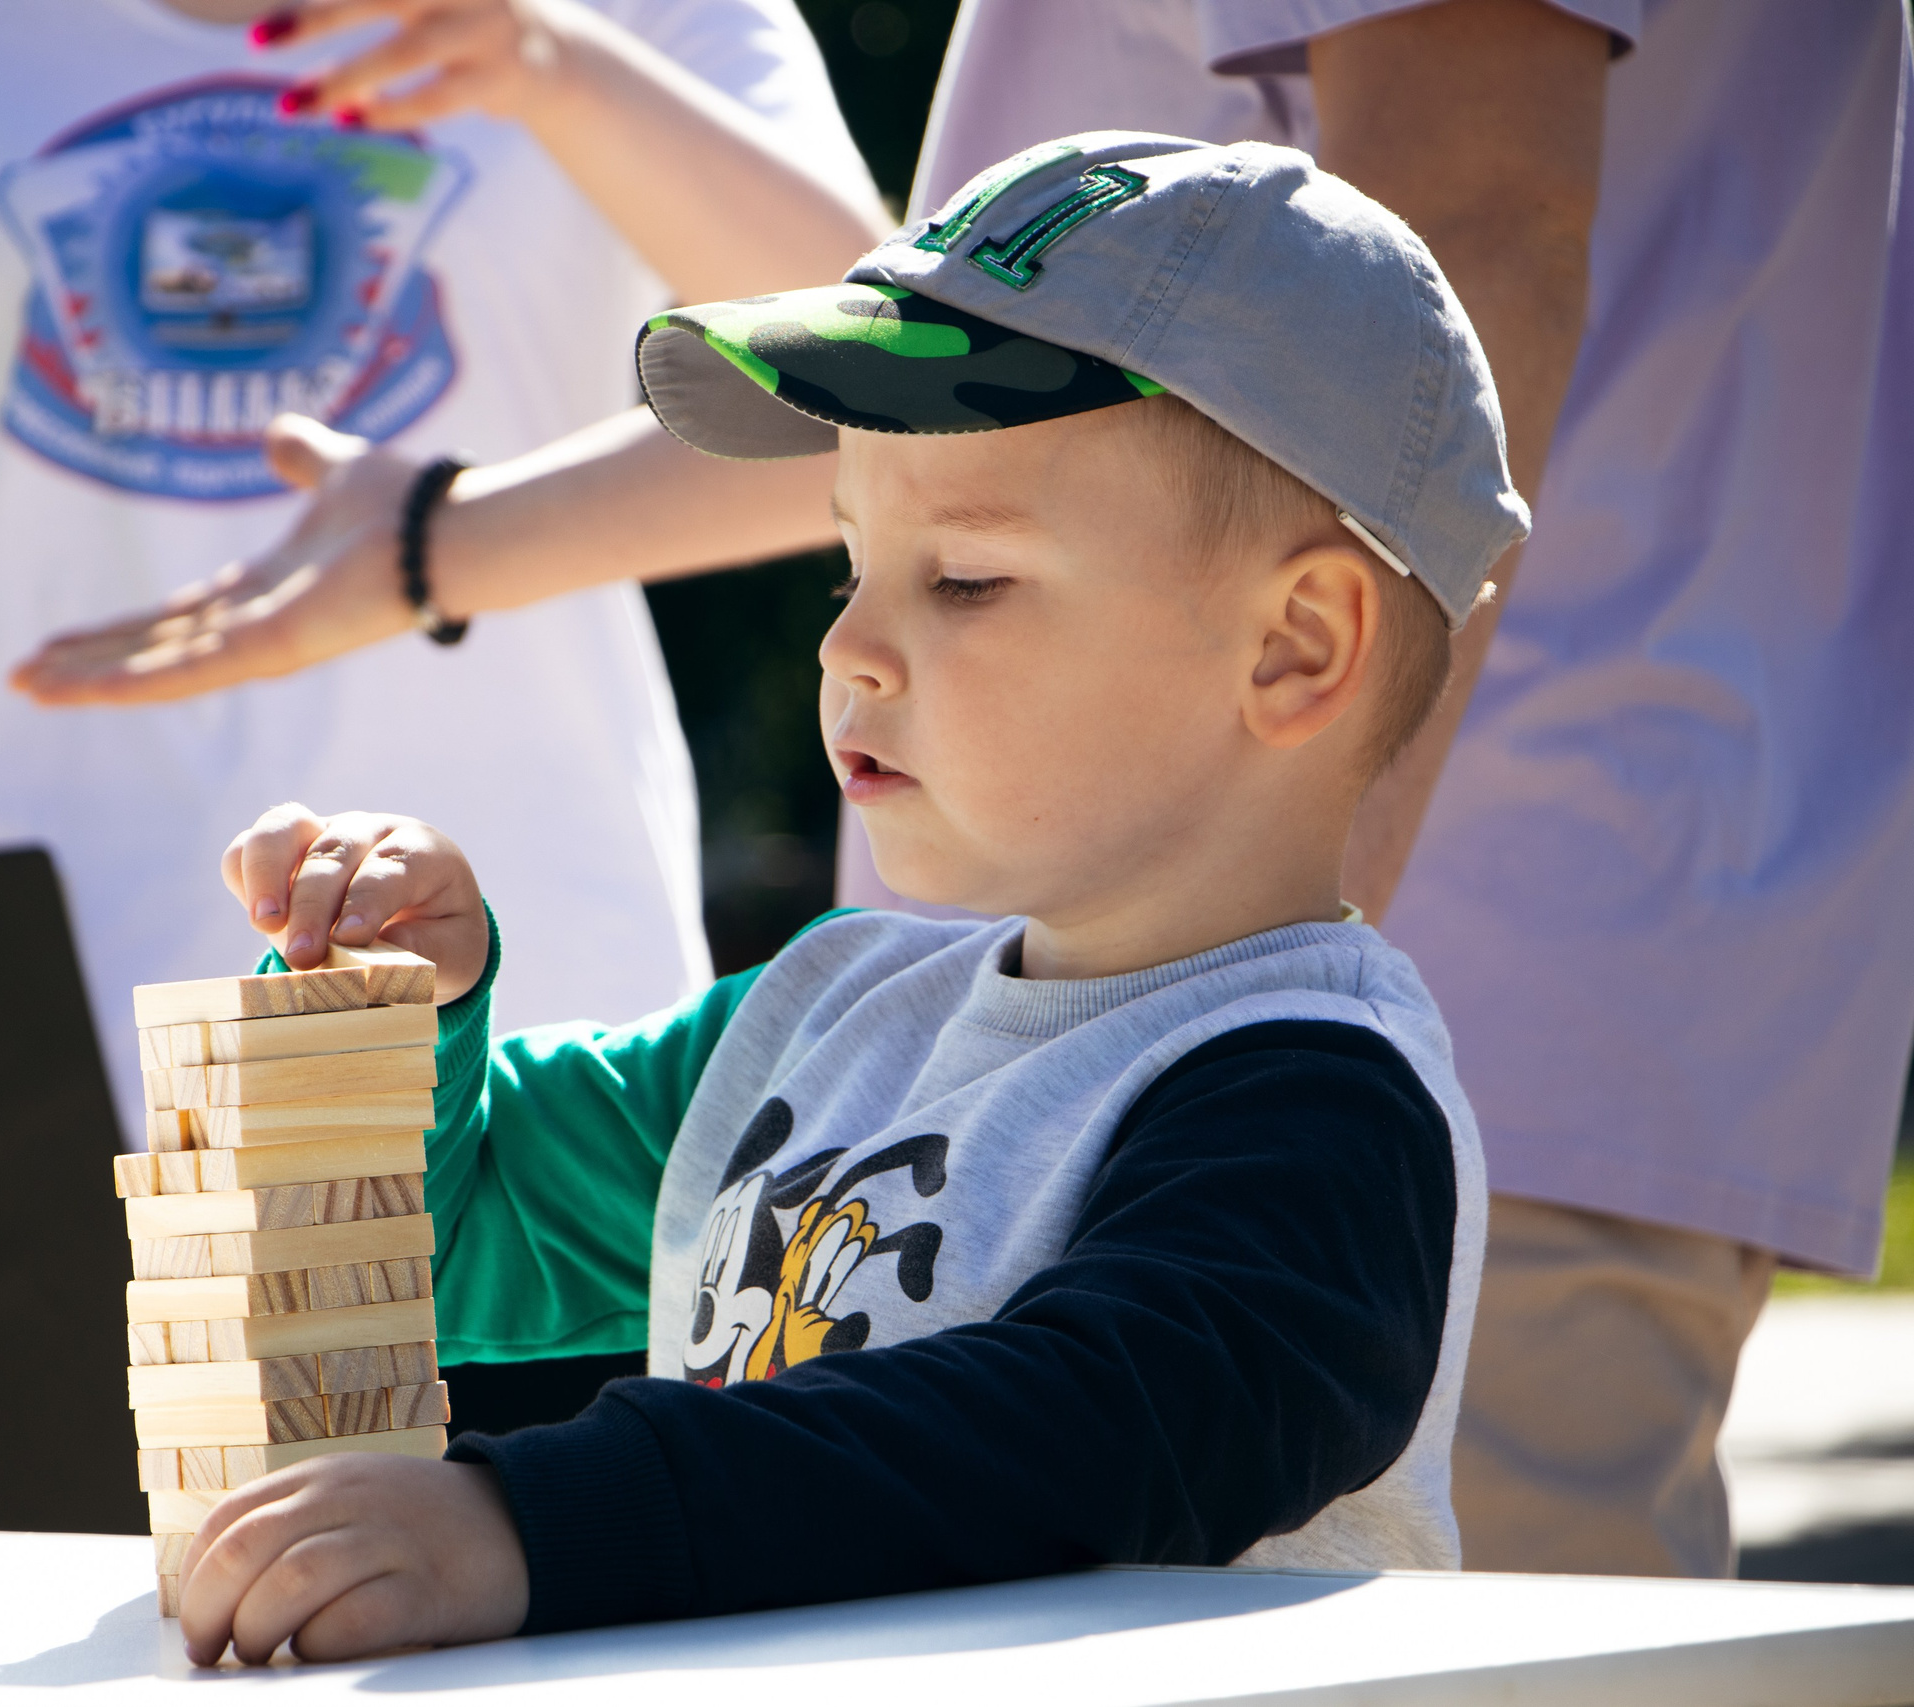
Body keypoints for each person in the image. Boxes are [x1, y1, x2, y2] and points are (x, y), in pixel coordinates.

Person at [160, 132, 1528, 1663]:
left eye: (964, 580)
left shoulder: (1319, 1101)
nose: (846, 649)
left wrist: (540, 1522)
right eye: (850, 566)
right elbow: (446, 1241)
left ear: (1294, 647)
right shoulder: (820, 1017)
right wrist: (389, 1025)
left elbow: (1084, 1438)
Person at [875, 0, 1914, 1578]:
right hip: (1526, 934)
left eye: (958, 581)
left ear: (1310, 644)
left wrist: (1238, 982)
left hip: (1457, 980)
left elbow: (1478, 208)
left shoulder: (1263, 1039)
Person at [0, 0, 885, 1135]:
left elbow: (887, 393)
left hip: (540, 1054)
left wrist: (546, 59)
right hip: (11, 1086)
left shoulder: (633, 12)